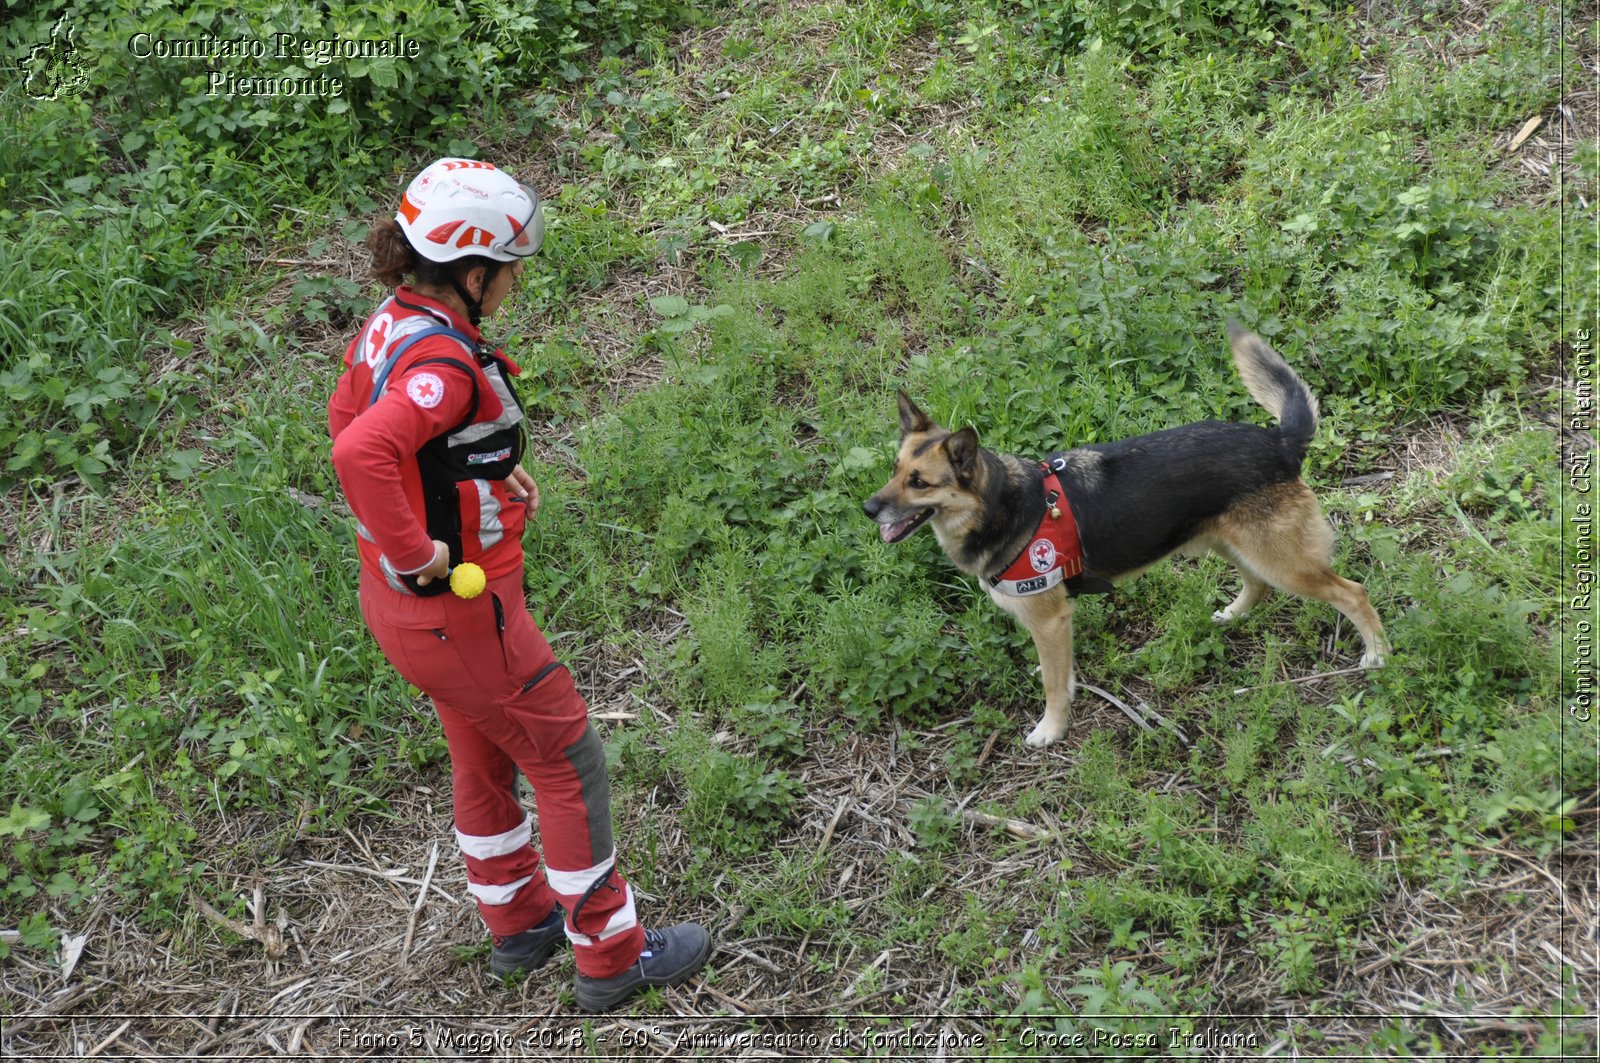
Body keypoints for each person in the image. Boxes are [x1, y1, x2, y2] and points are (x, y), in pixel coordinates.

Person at [327, 158, 710, 1011]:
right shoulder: (447, 362)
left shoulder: (394, 322)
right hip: (460, 609)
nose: (514, 283)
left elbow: (353, 414)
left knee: (482, 751)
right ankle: (611, 956)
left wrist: (487, 472)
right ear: (473, 272)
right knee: (569, 759)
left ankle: (520, 923)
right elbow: (360, 451)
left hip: (405, 619)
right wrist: (422, 549)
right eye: (509, 269)